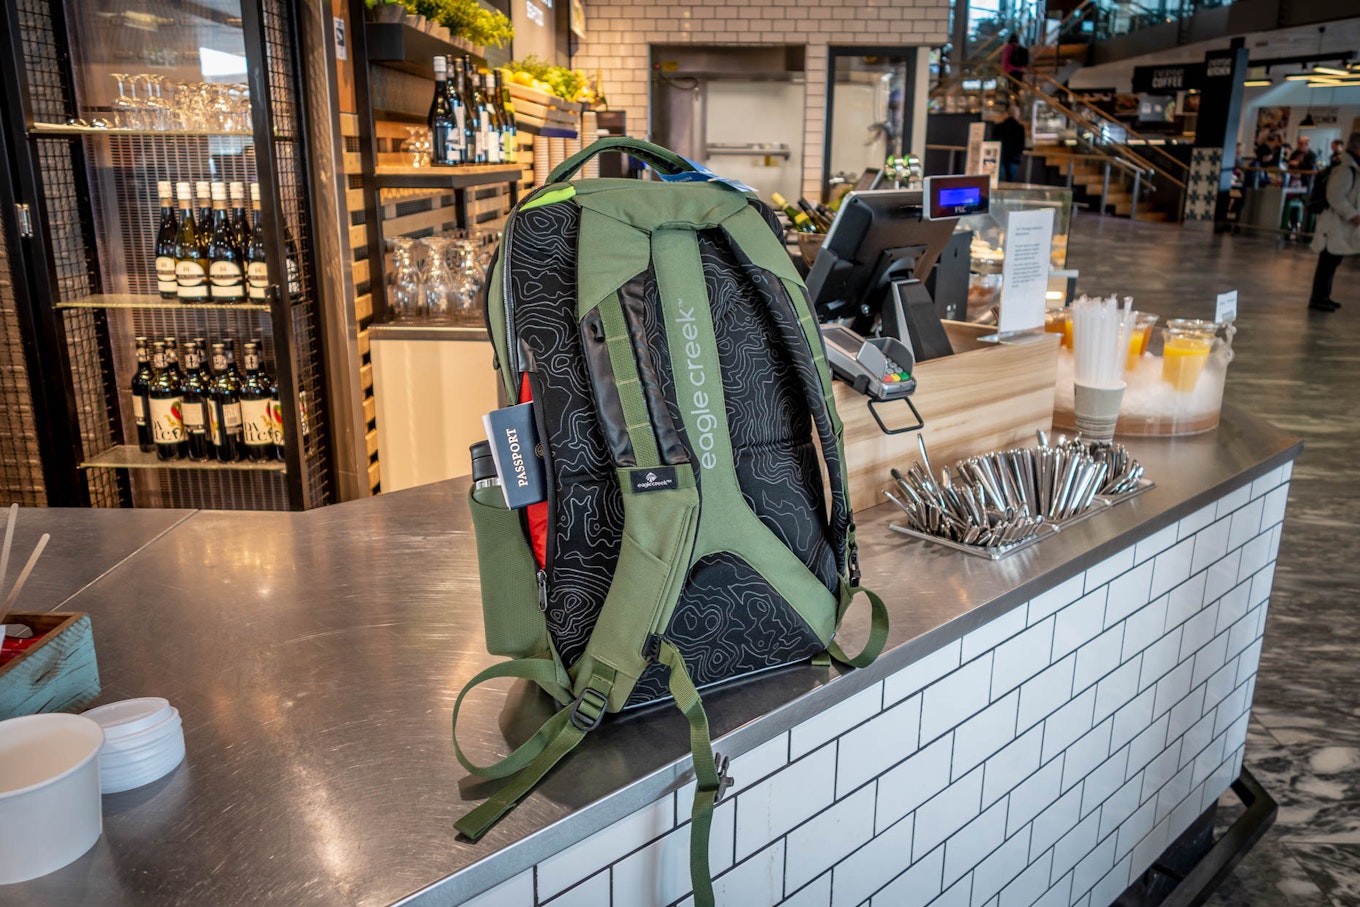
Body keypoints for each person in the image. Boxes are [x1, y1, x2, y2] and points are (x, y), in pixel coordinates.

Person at [1308, 131, 1360, 313]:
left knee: (1332, 262)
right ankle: (1318, 298)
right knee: (1328, 262)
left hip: (1339, 225)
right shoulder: (1345, 169)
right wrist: (1352, 214)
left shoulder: (1350, 166)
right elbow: (1335, 195)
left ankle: (1324, 296)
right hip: (1334, 225)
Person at [994, 104, 1026, 183]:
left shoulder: (999, 127)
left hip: (1000, 156)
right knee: (1011, 181)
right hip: (1013, 158)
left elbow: (994, 141)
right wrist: (1017, 156)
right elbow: (1021, 144)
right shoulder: (1020, 128)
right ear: (1017, 114)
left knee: (998, 181)